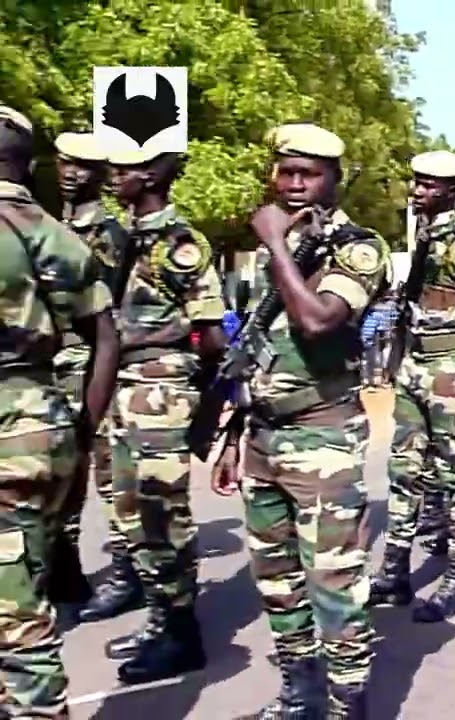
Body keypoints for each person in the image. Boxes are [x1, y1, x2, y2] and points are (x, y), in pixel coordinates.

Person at [212, 123, 388, 717]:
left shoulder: (359, 249)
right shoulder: (275, 252)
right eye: (285, 172)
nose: (293, 185)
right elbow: (258, 347)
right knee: (277, 581)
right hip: (264, 434)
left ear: (335, 181)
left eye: (308, 174)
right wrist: (236, 436)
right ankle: (300, 692)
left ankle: (348, 705)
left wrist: (276, 245)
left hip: (323, 437)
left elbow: (317, 321)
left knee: (334, 584)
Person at [0, 104, 119, 720]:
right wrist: (81, 428)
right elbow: (105, 334)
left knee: (15, 611)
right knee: (21, 586)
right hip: (42, 422)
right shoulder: (50, 232)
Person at [106, 144, 227, 682]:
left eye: (124, 167)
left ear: (152, 174)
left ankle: (183, 634)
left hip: (160, 394)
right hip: (122, 391)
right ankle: (161, 615)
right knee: (130, 512)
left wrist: (156, 349)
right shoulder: (128, 236)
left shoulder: (180, 244)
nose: (113, 175)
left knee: (161, 512)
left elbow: (211, 332)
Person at [370, 151, 455, 623]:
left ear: (450, 190)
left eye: (428, 185)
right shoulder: (424, 237)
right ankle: (395, 571)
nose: (417, 190)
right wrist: (397, 364)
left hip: (453, 371)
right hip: (415, 371)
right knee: (404, 472)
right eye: (416, 181)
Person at [45, 131, 138, 624]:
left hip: (91, 367)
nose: (70, 173)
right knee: (56, 473)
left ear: (102, 176)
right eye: (64, 163)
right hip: (49, 367)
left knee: (107, 473)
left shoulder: (113, 237)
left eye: (83, 166)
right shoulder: (44, 224)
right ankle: (65, 567)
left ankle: (127, 574)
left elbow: (113, 316)